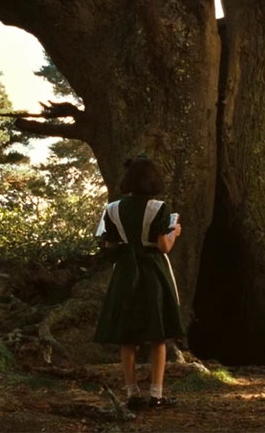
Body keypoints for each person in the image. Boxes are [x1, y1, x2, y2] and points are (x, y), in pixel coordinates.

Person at [94, 156, 184, 410]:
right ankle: (156, 393)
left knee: (127, 337)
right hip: (153, 272)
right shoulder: (159, 208)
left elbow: (109, 246)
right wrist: (174, 231)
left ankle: (131, 393)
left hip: (124, 273)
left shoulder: (112, 209)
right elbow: (164, 246)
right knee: (158, 335)